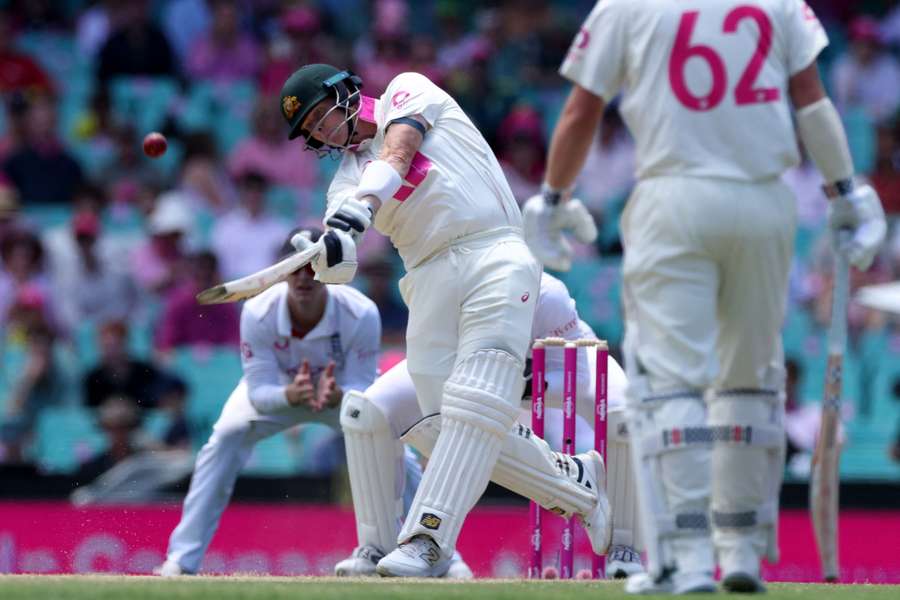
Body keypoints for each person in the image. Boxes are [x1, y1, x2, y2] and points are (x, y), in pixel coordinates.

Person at [525, 0, 887, 594]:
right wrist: (846, 190)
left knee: (673, 383)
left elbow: (583, 106)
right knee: (750, 377)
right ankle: (741, 547)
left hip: (675, 200)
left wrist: (554, 198)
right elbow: (811, 99)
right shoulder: (779, 3)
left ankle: (686, 558)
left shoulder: (626, 7)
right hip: (764, 203)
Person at [278, 63, 610, 578]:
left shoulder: (406, 91)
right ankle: (575, 483)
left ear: (345, 93)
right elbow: (341, 267)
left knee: (474, 403)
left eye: (322, 115)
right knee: (442, 421)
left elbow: (400, 148)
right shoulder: (343, 179)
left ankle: (427, 540)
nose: (324, 131)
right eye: (313, 131)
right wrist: (325, 251)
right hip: (428, 279)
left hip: (494, 252)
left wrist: (361, 209)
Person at [334, 272, 644, 579]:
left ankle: (625, 549)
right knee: (367, 412)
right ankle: (376, 548)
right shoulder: (444, 287)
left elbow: (578, 375)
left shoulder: (547, 293)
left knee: (623, 419)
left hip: (561, 363)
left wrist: (521, 383)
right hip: (476, 371)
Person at [155, 229, 381, 576]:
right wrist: (291, 395)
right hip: (279, 395)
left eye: (313, 267)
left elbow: (363, 387)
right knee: (226, 436)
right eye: (295, 268)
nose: (304, 277)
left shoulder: (360, 312)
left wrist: (339, 394)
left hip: (340, 398)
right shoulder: (258, 311)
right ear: (281, 271)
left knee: (392, 444)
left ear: (329, 271)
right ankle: (181, 559)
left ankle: (436, 555)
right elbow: (259, 394)